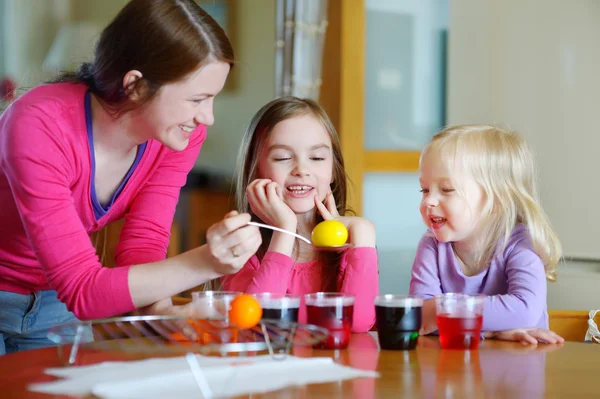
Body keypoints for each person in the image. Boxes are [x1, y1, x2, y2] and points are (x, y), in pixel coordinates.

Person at [0, 0, 261, 354]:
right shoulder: (38, 124)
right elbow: (83, 290)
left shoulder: (177, 137)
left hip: (51, 300)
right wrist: (207, 262)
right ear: (135, 84)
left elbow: (142, 244)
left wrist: (161, 312)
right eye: (197, 99)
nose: (207, 118)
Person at [221, 97, 379, 332]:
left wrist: (364, 233)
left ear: (333, 170)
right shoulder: (241, 243)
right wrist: (284, 230)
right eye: (283, 158)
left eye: (316, 158)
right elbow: (254, 323)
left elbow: (358, 323)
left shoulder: (350, 243)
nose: (302, 171)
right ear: (255, 170)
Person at [409, 124, 564, 344]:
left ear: (497, 200)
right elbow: (419, 319)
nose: (428, 201)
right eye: (424, 190)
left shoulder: (521, 245)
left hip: (517, 368)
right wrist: (492, 332)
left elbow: (525, 311)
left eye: (446, 190)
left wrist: (443, 310)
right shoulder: (431, 245)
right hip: (453, 370)